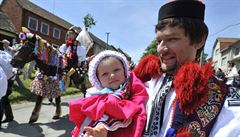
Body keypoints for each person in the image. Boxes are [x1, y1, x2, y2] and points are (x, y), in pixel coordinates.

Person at [83, 0, 240, 137]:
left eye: (172, 39)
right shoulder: (141, 83)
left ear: (199, 40)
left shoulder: (222, 99)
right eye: (159, 41)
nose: (161, 49)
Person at [69, 50, 148, 137]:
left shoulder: (131, 87)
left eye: (116, 70)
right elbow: (98, 117)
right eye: (105, 74)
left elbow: (139, 99)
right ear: (98, 81)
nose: (112, 75)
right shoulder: (96, 96)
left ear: (125, 71)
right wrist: (99, 130)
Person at [0, 45, 15, 124]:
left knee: (2, 99)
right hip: (11, 78)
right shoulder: (6, 54)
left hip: (4, 80)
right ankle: (9, 116)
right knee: (5, 98)